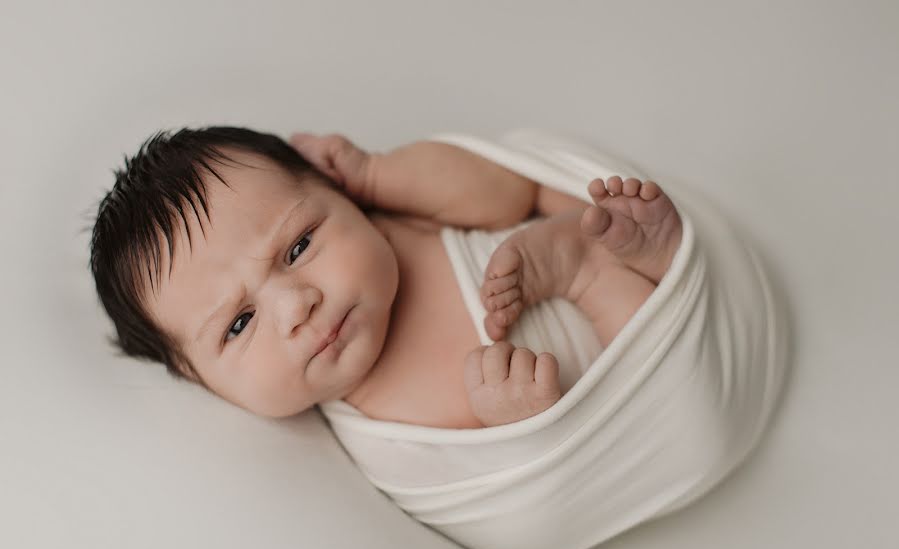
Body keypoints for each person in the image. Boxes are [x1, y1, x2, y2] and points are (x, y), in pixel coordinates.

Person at [89, 127, 681, 428]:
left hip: (596, 267)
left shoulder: (395, 226)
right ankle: (604, 264)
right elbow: (496, 513)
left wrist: (377, 176)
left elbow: (510, 190)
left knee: (569, 209)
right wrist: (522, 430)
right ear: (201, 383)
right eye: (239, 324)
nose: (297, 306)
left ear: (341, 197)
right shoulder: (377, 430)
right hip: (622, 396)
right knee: (652, 369)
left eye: (298, 246)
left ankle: (642, 250)